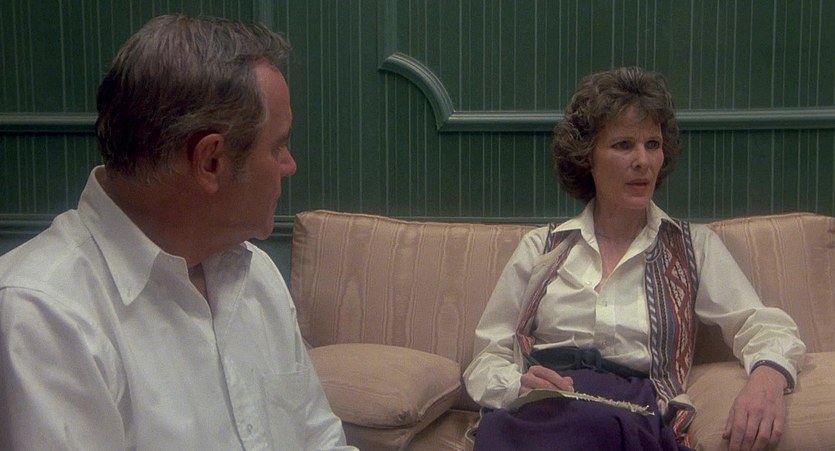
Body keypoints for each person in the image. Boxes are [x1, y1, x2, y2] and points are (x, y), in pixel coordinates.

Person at [0, 14, 355, 450]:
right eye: (278, 145)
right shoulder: (42, 314)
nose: (289, 165)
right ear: (210, 161)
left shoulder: (255, 272)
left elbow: (320, 439)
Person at [463, 66, 805, 451]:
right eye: (623, 145)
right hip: (538, 407)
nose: (643, 160)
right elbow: (488, 356)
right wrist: (517, 386)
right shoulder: (542, 247)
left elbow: (762, 325)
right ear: (587, 157)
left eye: (653, 144)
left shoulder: (692, 247)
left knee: (591, 428)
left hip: (626, 412)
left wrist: (767, 380)